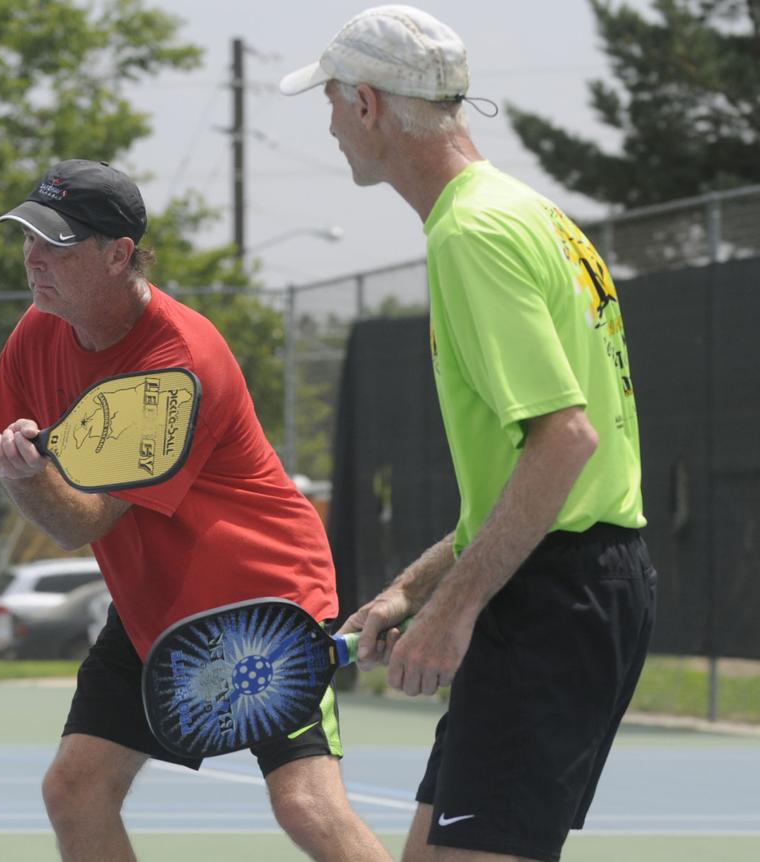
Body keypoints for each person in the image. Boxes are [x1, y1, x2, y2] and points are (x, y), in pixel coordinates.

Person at [0, 159, 392, 861]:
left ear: (119, 255)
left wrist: (24, 480)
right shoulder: (40, 331)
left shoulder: (179, 367)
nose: (32, 257)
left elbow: (82, 520)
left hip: (262, 605)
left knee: (304, 805)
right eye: (27, 237)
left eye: (56, 243)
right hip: (153, 611)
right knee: (76, 791)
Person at [281, 6, 657, 862]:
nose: (331, 123)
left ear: (368, 105)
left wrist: (454, 613)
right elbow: (527, 475)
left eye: (333, 102)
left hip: (555, 597)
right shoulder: (531, 214)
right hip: (573, 583)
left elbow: (566, 442)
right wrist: (411, 592)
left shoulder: (471, 233)